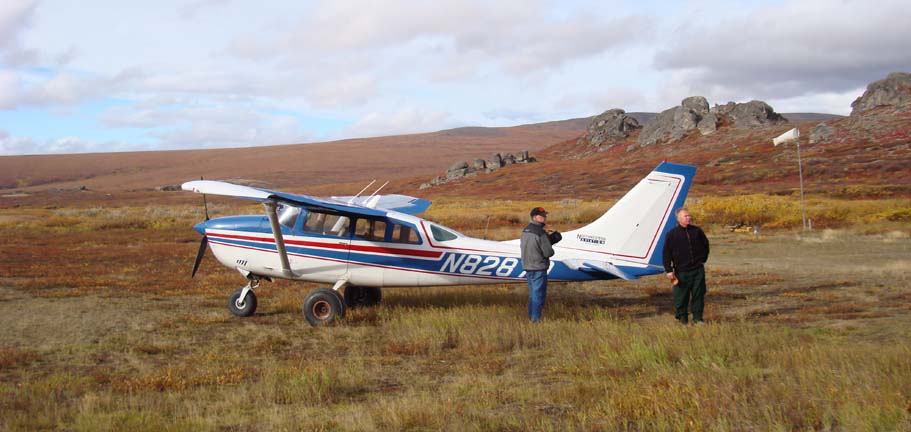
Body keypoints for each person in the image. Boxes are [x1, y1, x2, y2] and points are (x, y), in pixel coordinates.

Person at [662, 208, 710, 324]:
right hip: (681, 271)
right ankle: (683, 319)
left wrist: (702, 260)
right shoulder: (672, 234)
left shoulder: (697, 231)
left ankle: (698, 318)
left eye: (689, 216)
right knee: (681, 296)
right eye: (685, 216)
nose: (688, 218)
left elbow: (706, 246)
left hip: (697, 270)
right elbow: (666, 253)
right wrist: (669, 270)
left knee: (698, 294)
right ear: (678, 219)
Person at [520, 207, 561, 323]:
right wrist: (550, 242)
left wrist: (548, 241)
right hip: (538, 267)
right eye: (542, 216)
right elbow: (548, 252)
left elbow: (531, 246)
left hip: (527, 267)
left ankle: (531, 317)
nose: (544, 218)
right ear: (535, 217)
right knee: (539, 295)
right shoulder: (540, 232)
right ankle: (535, 320)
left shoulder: (525, 230)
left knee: (533, 294)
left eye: (544, 216)